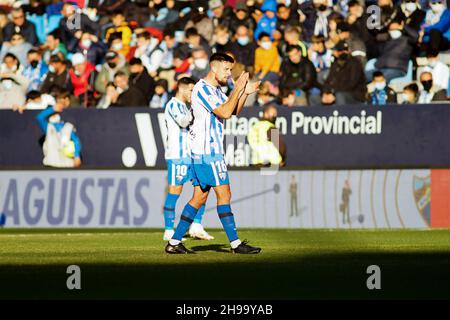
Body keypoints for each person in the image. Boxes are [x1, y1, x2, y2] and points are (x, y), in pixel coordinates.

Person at [165, 53, 261, 254]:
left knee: (198, 199)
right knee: (224, 194)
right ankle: (235, 244)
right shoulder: (202, 89)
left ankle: (174, 242)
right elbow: (225, 112)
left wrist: (244, 92)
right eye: (226, 69)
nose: (228, 74)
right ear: (214, 68)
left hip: (204, 153)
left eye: (230, 70)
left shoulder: (215, 90)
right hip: (208, 153)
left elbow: (233, 110)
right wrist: (237, 89)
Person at [163, 76, 214, 241]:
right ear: (182, 89)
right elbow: (184, 122)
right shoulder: (173, 105)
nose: (193, 94)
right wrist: (194, 109)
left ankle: (197, 226)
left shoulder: (184, 106)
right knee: (174, 193)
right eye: (191, 90)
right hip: (177, 156)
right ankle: (169, 230)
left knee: (202, 189)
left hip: (191, 155)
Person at [35, 90, 82, 168]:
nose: (53, 116)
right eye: (51, 115)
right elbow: (39, 118)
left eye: (55, 114)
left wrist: (77, 156)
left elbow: (76, 141)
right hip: (51, 164)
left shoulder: (67, 126)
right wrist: (52, 109)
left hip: (67, 164)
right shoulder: (48, 127)